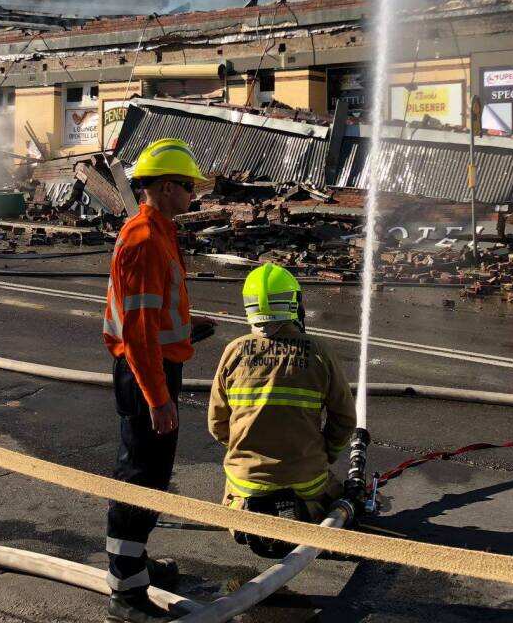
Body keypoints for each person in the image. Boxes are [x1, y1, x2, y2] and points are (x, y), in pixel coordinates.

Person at [102, 138, 214, 623]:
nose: (194, 195)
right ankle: (126, 592)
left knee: (152, 475)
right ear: (167, 187)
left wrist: (188, 330)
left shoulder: (160, 231)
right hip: (145, 372)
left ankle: (135, 563)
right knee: (141, 478)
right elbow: (140, 330)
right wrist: (159, 398)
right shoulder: (145, 239)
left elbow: (156, 315)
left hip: (155, 365)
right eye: (188, 187)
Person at [209, 263, 356, 558]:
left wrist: (245, 447)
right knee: (341, 496)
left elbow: (217, 423)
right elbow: (345, 419)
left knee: (238, 494)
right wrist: (325, 454)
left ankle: (241, 518)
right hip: (306, 483)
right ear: (294, 304)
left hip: (245, 485)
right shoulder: (318, 351)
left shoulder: (234, 351)